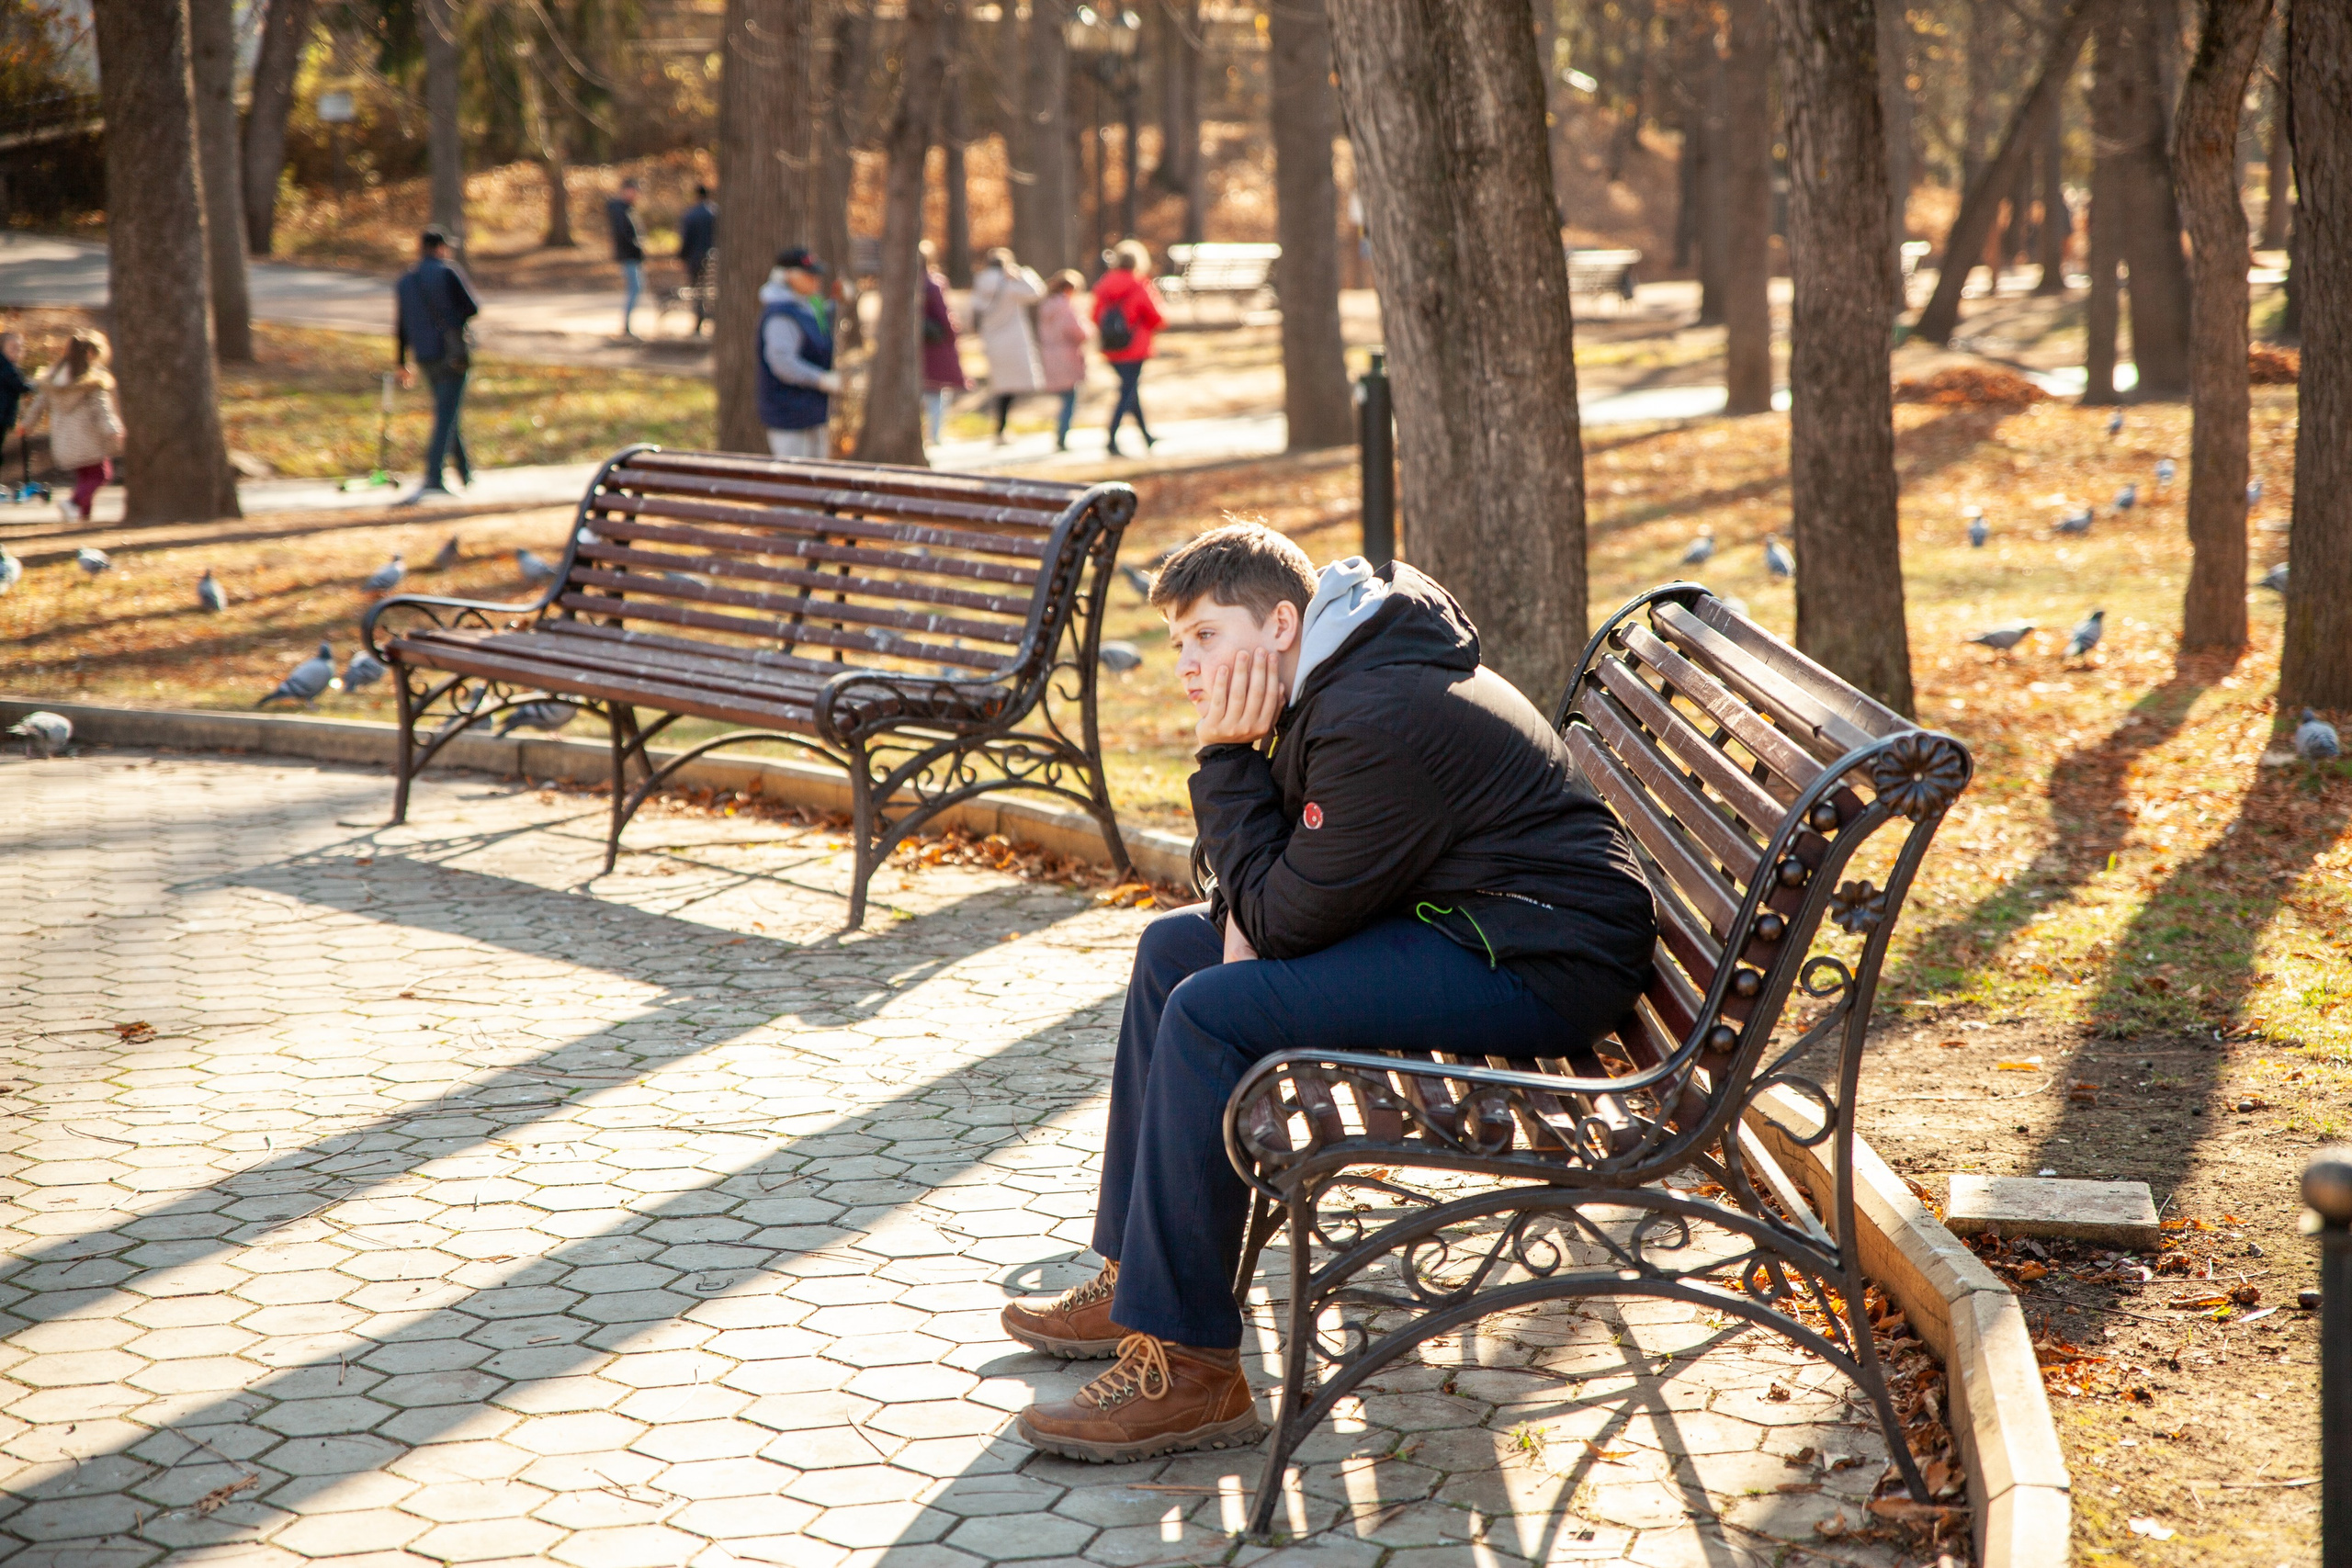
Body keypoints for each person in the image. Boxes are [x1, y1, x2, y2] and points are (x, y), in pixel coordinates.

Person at [1003, 523, 1657, 1462]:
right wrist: (1238, 786)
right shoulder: (1340, 677)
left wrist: (1226, 759)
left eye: (1206, 636)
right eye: (1179, 644)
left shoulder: (1370, 714)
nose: (1189, 667)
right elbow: (1275, 896)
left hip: (1541, 960)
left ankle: (1193, 1372)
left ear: (1279, 623)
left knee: (1209, 1008)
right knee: (1167, 954)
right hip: (1471, 918)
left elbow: (1277, 922)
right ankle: (1135, 1280)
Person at [394, 226, 481, 501]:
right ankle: (434, 475)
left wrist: (401, 361)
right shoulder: (447, 272)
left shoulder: (406, 281)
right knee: (446, 414)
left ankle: (465, 472)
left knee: (447, 410)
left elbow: (401, 326)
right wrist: (453, 322)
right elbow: (472, 308)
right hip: (451, 354)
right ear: (441, 248)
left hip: (424, 355)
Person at [18, 327, 122, 523]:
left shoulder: (53, 378)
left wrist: (26, 424)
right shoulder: (93, 382)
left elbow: (39, 404)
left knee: (85, 477)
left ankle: (83, 517)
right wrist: (114, 430)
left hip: (64, 440)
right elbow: (102, 410)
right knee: (101, 474)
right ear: (91, 353)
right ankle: (73, 503)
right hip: (90, 437)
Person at [758, 247, 842, 459]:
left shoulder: (806, 304)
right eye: (808, 275)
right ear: (788, 276)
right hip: (789, 414)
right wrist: (820, 379)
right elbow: (782, 362)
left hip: (811, 411)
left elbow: (817, 329)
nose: (815, 280)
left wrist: (837, 302)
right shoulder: (781, 314)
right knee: (795, 480)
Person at [1091, 239, 1165, 457]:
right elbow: (1157, 316)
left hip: (1112, 347)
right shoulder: (1139, 284)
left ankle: (1145, 435)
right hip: (1135, 346)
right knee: (1127, 392)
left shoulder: (1103, 284)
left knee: (1130, 391)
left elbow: (1095, 315)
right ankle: (1111, 437)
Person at [969, 246, 1045, 443]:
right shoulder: (1009, 284)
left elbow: (975, 308)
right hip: (1012, 339)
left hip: (992, 339)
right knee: (1010, 386)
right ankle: (1001, 428)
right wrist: (1022, 273)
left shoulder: (980, 282)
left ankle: (999, 428)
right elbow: (1037, 292)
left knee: (1001, 385)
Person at [918, 240, 967, 446]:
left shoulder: (912, 284)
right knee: (936, 394)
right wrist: (952, 332)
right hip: (935, 346)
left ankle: (926, 433)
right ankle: (935, 434)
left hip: (922, 347)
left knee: (925, 391)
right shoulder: (933, 284)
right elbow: (943, 315)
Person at [1037, 271, 1089, 452]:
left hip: (1050, 354)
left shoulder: (1047, 306)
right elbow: (1078, 331)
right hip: (1067, 355)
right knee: (1070, 397)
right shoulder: (1065, 307)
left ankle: (1059, 429)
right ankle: (1062, 432)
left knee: (1064, 396)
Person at [608, 176, 647, 339]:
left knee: (638, 287)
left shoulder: (628, 209)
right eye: (634, 190)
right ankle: (627, 325)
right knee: (635, 288)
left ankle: (628, 324)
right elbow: (623, 234)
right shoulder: (620, 209)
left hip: (633, 255)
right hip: (629, 255)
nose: (636, 194)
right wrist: (635, 246)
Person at [678, 184, 718, 334]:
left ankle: (699, 319)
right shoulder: (716, 212)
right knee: (711, 289)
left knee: (697, 290)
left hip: (695, 257)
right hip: (714, 258)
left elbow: (686, 239)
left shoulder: (691, 214)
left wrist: (682, 257)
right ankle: (710, 317)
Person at [0, 327, 30, 487]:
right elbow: (19, 385)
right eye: (12, 348)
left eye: (19, 348)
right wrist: (34, 385)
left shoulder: (9, 366)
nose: (17, 352)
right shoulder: (5, 366)